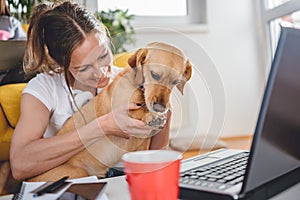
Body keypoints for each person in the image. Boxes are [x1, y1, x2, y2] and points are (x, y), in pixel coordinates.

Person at [10, 1, 170, 181]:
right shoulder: (45, 89)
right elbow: (20, 165)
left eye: (103, 56)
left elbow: (157, 158)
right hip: (70, 182)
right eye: (84, 68)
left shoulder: (130, 82)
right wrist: (103, 126)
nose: (101, 72)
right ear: (62, 64)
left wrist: (161, 112)